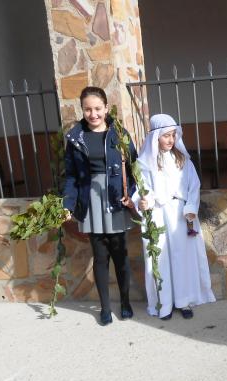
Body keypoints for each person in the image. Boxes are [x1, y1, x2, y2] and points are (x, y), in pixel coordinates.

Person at [62, 86, 137, 326]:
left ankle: (125, 302)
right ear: (82, 110)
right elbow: (71, 176)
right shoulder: (75, 138)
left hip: (115, 197)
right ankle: (105, 307)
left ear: (106, 108)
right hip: (91, 200)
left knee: (120, 254)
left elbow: (134, 169)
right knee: (100, 256)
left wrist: (132, 196)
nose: (93, 114)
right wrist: (68, 204)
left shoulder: (119, 134)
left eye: (97, 108)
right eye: (88, 109)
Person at [133, 113, 215, 320]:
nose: (171, 139)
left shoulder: (183, 160)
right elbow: (142, 190)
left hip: (180, 215)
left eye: (173, 135)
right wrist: (143, 201)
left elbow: (194, 186)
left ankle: (184, 301)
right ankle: (165, 304)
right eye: (166, 135)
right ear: (155, 137)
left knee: (182, 259)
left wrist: (190, 207)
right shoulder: (144, 163)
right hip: (158, 215)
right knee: (161, 259)